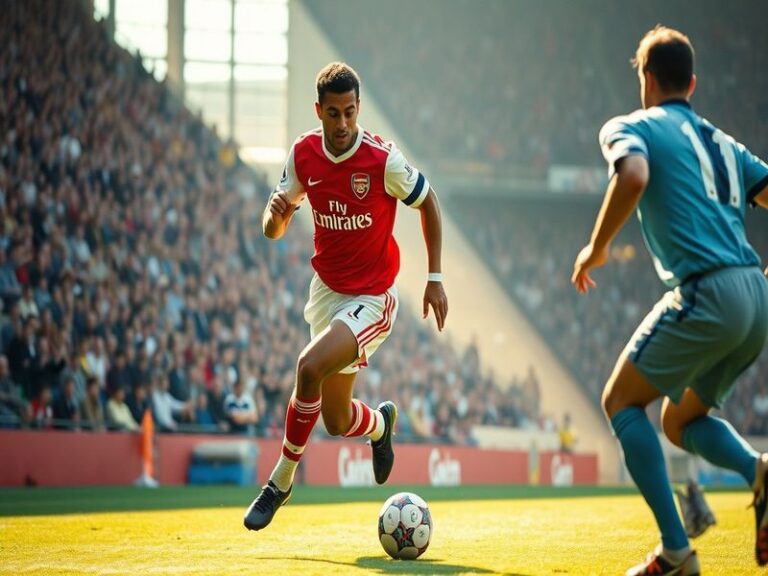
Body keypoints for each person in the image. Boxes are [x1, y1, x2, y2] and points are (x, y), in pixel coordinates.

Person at [571, 25, 768, 575]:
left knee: (620, 404)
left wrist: (597, 247)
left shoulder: (632, 125)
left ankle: (677, 553)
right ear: (693, 83)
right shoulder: (725, 143)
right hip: (757, 296)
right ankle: (759, 470)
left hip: (707, 289)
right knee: (679, 422)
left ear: (647, 80)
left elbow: (632, 175)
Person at [244, 62, 447, 531]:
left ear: (359, 109)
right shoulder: (303, 155)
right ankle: (379, 425)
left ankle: (280, 482)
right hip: (327, 295)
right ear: (318, 110)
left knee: (308, 366)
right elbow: (273, 229)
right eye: (332, 114)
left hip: (372, 298)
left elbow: (429, 200)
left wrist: (434, 277)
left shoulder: (381, 160)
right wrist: (274, 218)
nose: (341, 124)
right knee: (335, 420)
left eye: (349, 113)